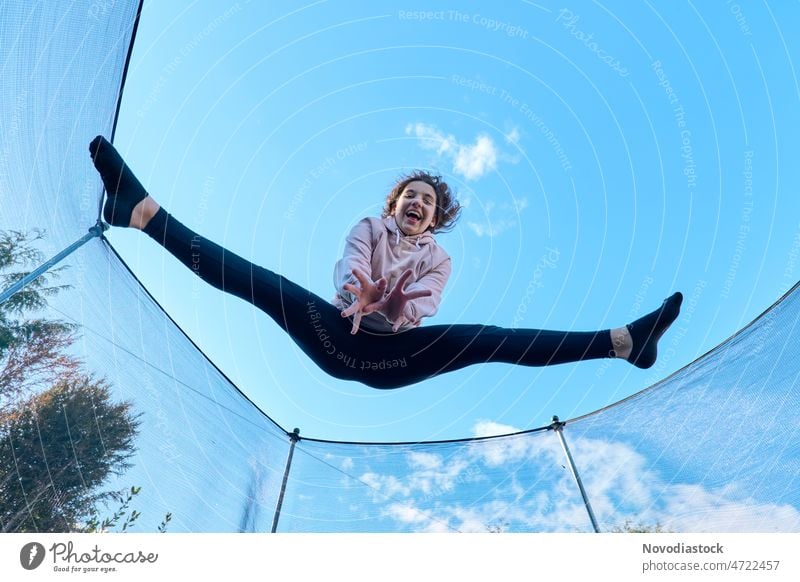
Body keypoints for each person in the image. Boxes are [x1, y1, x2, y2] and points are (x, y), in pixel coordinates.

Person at [89, 136, 682, 390]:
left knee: (485, 338)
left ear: (435, 217)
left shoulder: (439, 259)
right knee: (262, 284)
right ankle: (142, 213)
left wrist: (395, 307)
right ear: (395, 204)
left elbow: (425, 304)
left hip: (393, 356)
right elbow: (351, 263)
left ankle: (622, 344)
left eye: (428, 201)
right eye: (410, 196)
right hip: (334, 332)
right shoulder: (369, 227)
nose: (418, 205)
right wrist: (359, 294)